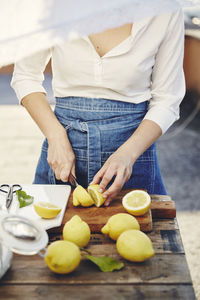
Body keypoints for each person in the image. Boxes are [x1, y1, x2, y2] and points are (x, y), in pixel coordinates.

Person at [11, 6, 185, 206]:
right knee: (45, 235)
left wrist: (127, 155)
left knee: (141, 235)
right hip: (61, 160)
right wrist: (55, 136)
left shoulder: (165, 10)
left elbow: (167, 99)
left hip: (133, 160)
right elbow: (25, 76)